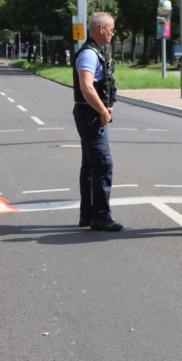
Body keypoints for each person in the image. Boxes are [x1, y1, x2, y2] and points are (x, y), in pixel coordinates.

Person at [72, 12, 122, 232]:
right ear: (101, 29)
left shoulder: (96, 52)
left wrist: (106, 104)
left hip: (90, 114)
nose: (113, 33)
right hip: (90, 116)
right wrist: (103, 110)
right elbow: (86, 87)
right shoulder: (89, 54)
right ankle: (101, 216)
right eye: (111, 29)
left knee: (90, 166)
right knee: (102, 164)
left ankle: (88, 215)